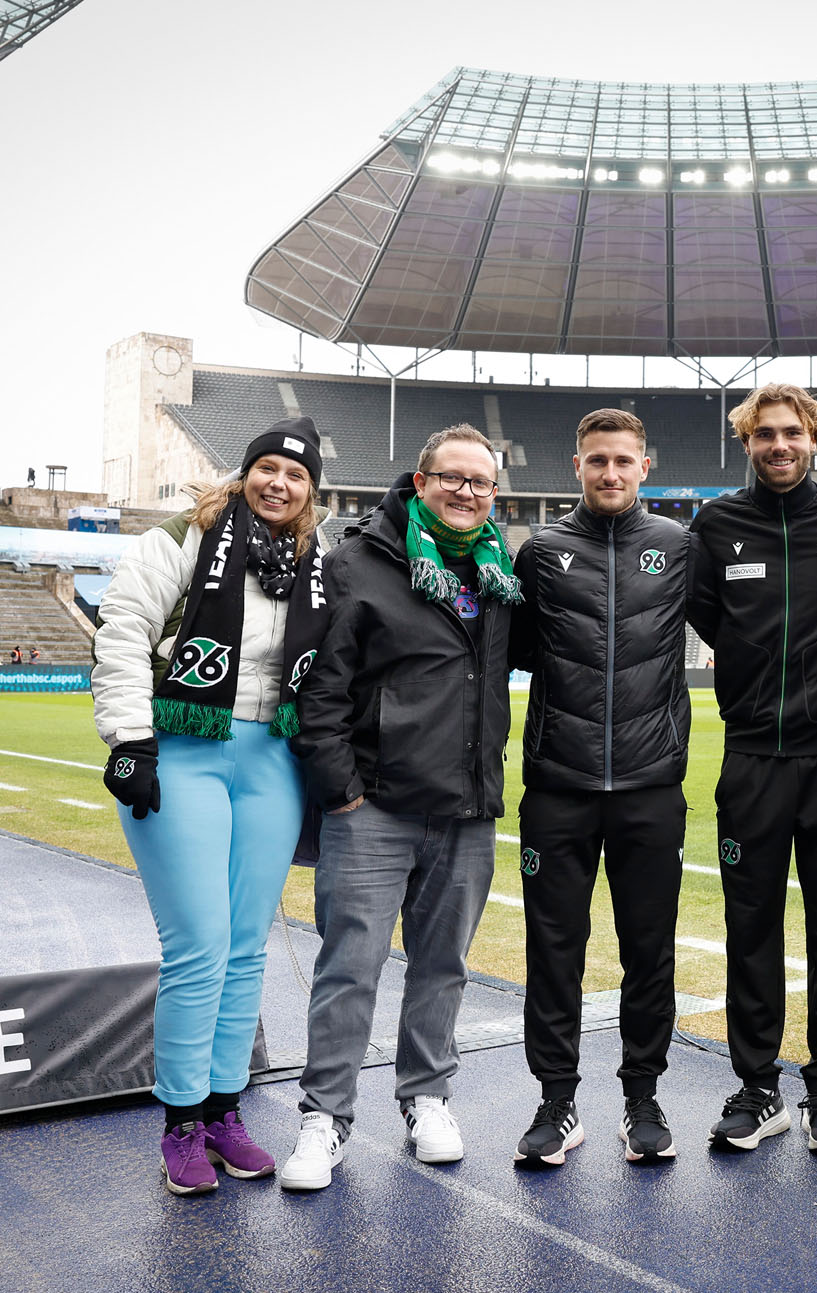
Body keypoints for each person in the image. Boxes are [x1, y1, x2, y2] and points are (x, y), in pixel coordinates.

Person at [91, 415, 330, 1196]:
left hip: (271, 759)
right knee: (200, 942)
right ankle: (181, 1124)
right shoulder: (183, 537)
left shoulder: (314, 559)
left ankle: (226, 1110)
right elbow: (123, 629)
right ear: (245, 471)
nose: (279, 484)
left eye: (296, 476)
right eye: (267, 468)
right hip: (183, 746)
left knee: (247, 947)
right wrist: (129, 738)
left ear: (310, 492)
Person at [281, 424, 520, 1190]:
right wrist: (343, 792)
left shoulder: (498, 571)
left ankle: (426, 1097)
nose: (468, 493)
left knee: (442, 965)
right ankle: (325, 1116)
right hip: (374, 808)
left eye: (481, 484)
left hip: (467, 809)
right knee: (349, 965)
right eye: (453, 479)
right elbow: (319, 690)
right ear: (420, 483)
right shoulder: (356, 563)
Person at [686, 383, 817, 1154]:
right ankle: (758, 1087)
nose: (779, 445)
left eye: (792, 432)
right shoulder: (718, 523)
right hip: (752, 758)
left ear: (815, 438)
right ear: (747, 442)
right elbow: (704, 611)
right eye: (764, 434)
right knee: (750, 928)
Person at [508, 408, 690, 1168]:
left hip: (651, 786)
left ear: (645, 465)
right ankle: (556, 1100)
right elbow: (512, 651)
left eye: (622, 459)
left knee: (649, 950)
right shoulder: (542, 552)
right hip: (560, 785)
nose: (609, 472)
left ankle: (642, 1097)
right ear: (574, 466)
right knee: (554, 949)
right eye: (595, 460)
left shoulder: (679, 546)